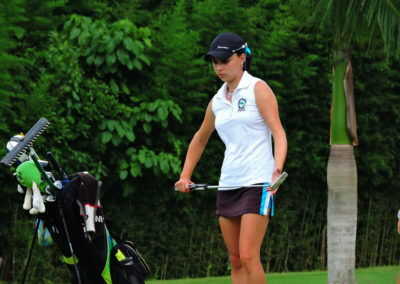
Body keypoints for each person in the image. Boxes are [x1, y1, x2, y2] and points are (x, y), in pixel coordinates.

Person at [174, 32, 287, 284]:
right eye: (214, 62)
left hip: (259, 183)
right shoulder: (216, 101)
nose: (218, 67)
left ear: (241, 58)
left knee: (248, 256)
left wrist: (277, 170)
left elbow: (279, 134)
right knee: (235, 260)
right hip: (228, 184)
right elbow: (200, 138)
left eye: (224, 60)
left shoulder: (258, 88)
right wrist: (185, 175)